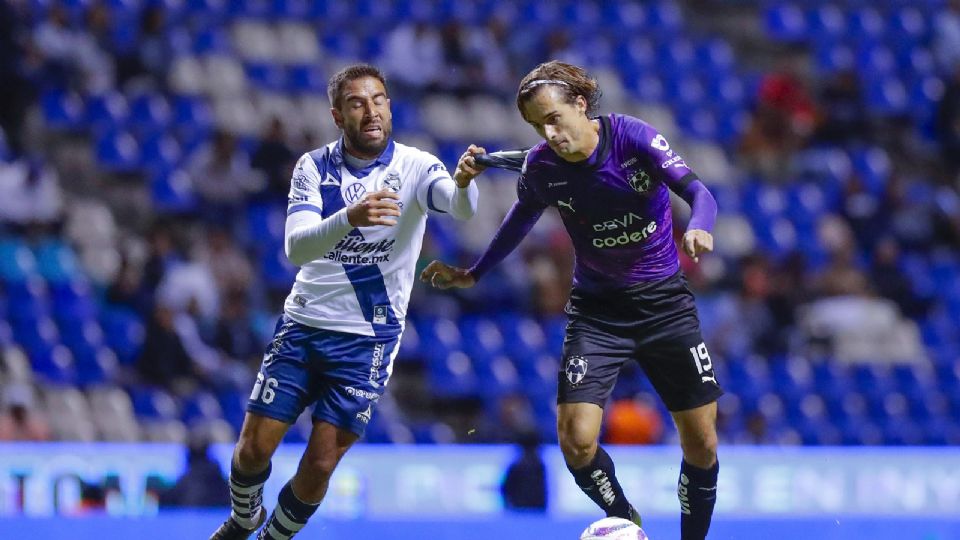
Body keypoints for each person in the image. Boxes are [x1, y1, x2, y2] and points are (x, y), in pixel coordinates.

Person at [421, 61, 721, 540]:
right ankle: (628, 521)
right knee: (577, 443)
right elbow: (519, 219)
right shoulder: (543, 166)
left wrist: (701, 226)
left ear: (581, 104)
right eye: (539, 126)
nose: (550, 133)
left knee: (702, 443)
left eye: (555, 118)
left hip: (665, 305)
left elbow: (698, 191)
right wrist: (474, 273)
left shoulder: (634, 138)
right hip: (597, 313)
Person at [209, 63, 482, 540]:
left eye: (379, 100)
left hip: (368, 341)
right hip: (305, 326)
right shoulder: (312, 167)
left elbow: (460, 207)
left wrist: (463, 182)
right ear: (338, 116)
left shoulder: (417, 166)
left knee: (320, 462)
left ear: (390, 108)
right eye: (357, 103)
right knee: (253, 450)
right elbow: (296, 247)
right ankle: (243, 518)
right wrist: (350, 217)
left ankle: (272, 539)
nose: (371, 111)